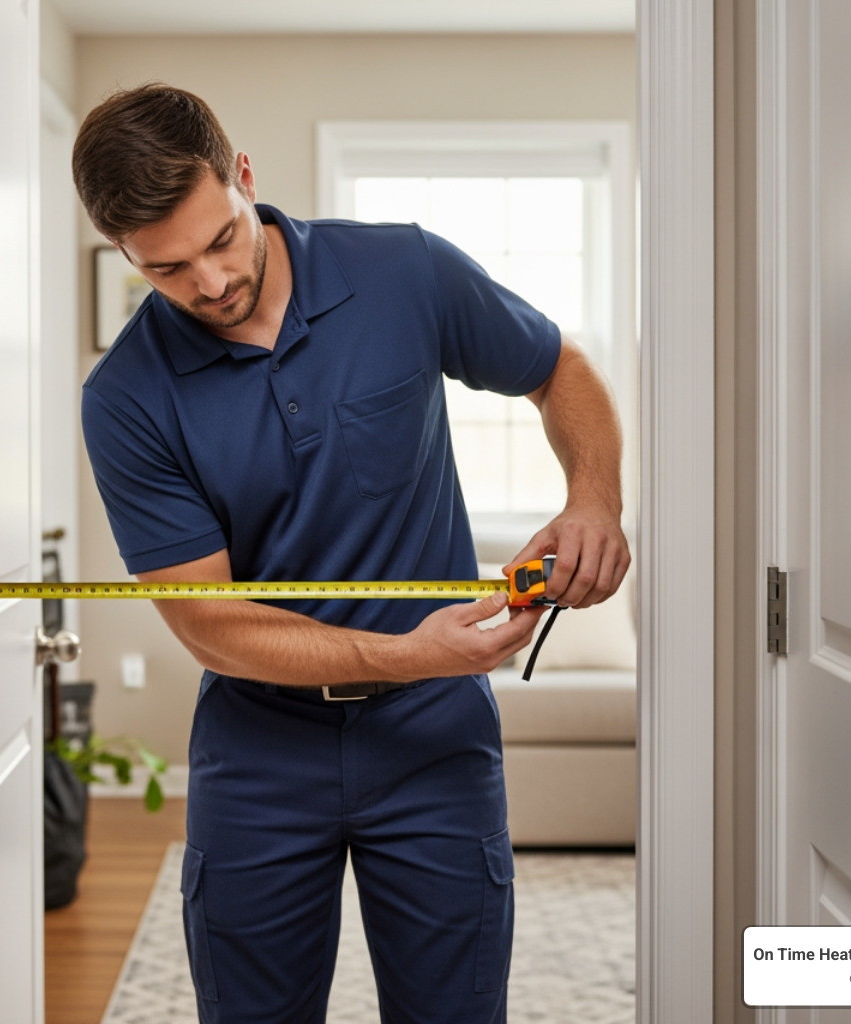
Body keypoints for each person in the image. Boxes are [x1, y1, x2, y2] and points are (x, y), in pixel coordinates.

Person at [73, 83, 629, 1024]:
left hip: (434, 743)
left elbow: (558, 370)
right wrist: (409, 654)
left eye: (220, 239)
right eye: (167, 269)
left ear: (244, 176)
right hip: (259, 753)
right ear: (123, 254)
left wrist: (594, 499)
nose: (209, 284)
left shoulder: (404, 270)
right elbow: (211, 624)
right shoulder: (125, 396)